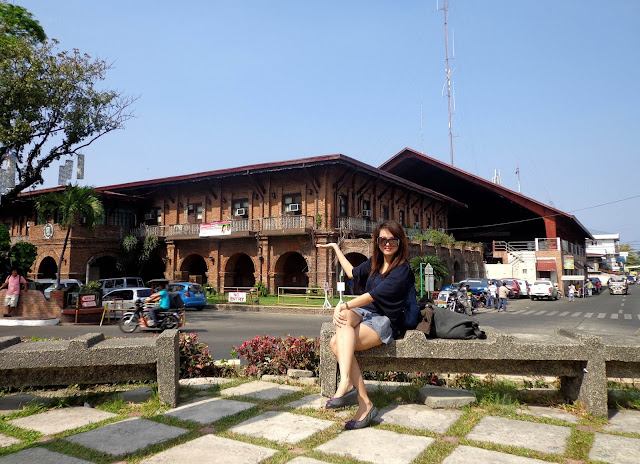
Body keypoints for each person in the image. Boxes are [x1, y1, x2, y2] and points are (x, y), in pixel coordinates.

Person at [316, 220, 413, 430]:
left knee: (336, 343)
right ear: (377, 241)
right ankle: (351, 390)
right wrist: (335, 248)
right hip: (364, 314)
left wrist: (343, 304)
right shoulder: (374, 263)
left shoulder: (402, 269)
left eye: (392, 240)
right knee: (344, 319)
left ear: (400, 241)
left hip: (385, 319)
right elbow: (352, 272)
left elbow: (373, 295)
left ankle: (360, 399)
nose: (387, 244)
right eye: (382, 239)